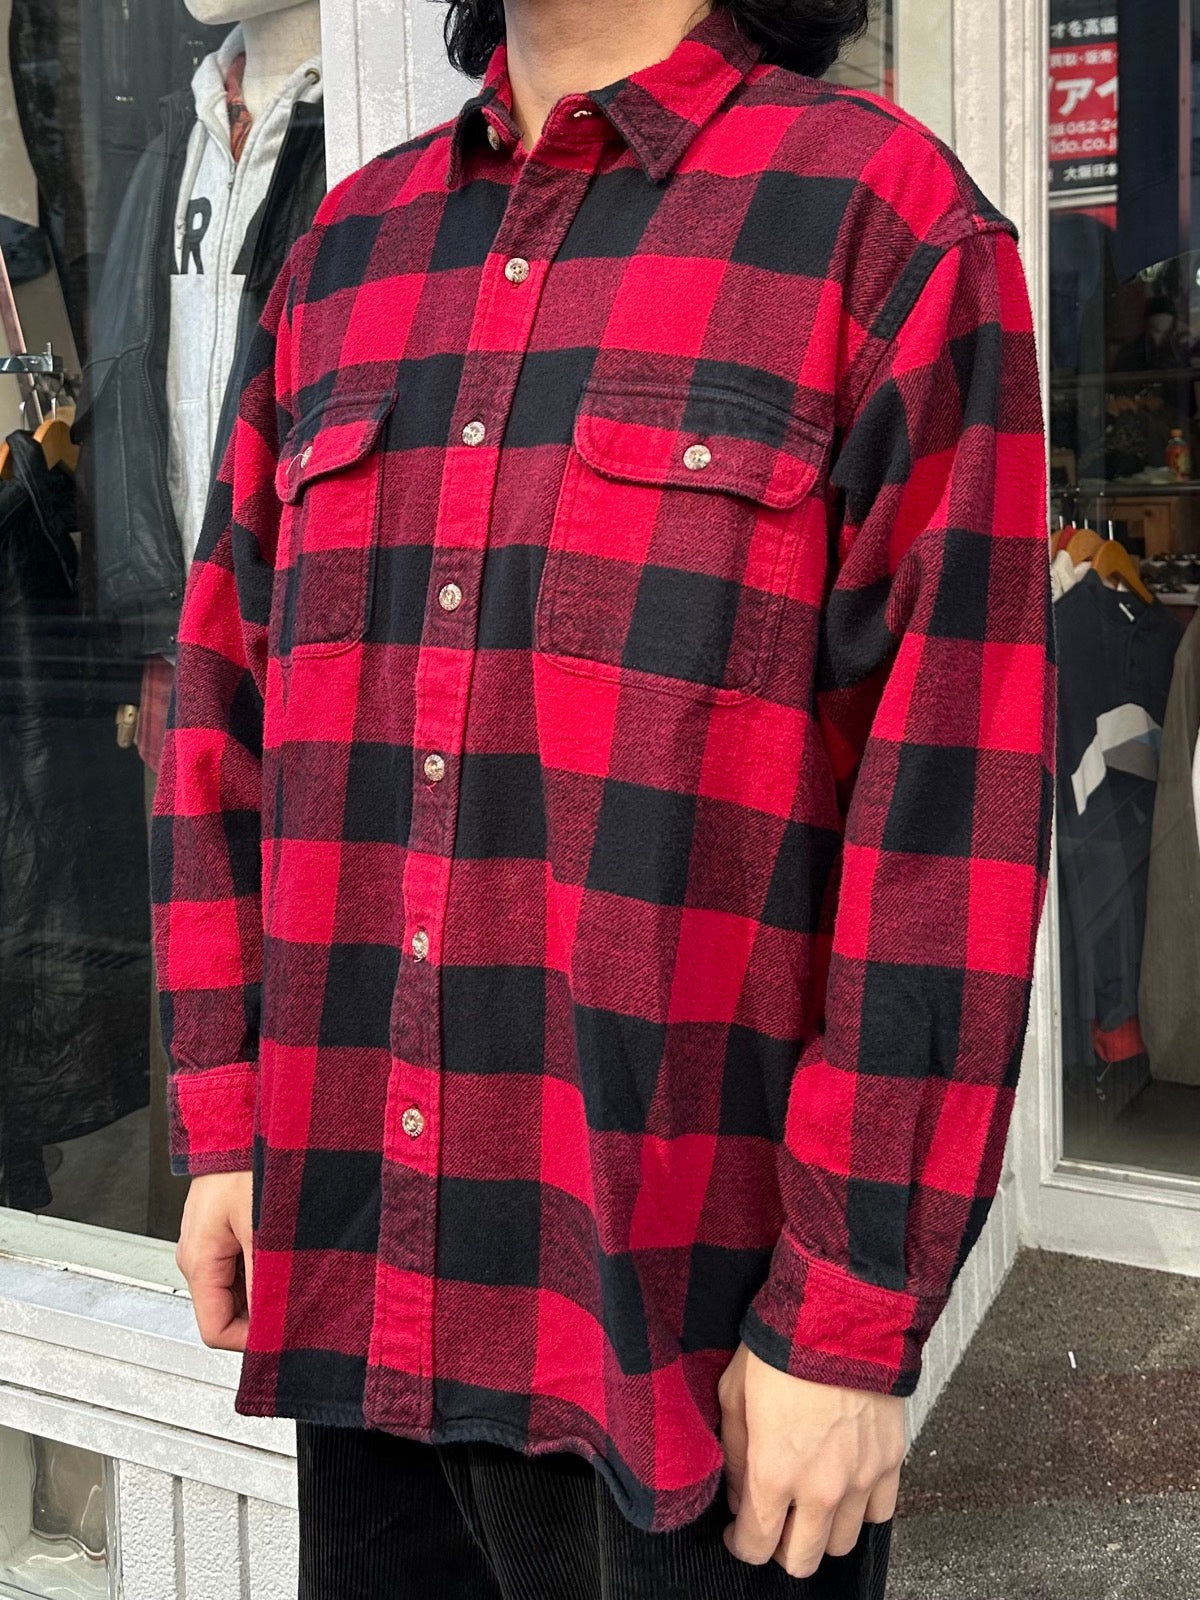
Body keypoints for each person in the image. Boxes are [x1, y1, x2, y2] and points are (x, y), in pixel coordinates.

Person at [152, 1, 1055, 1595]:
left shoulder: (882, 229)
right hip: (363, 1282)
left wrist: (848, 1318)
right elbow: (223, 714)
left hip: (692, 1356)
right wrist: (231, 1120)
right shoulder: (342, 261)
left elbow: (945, 822)